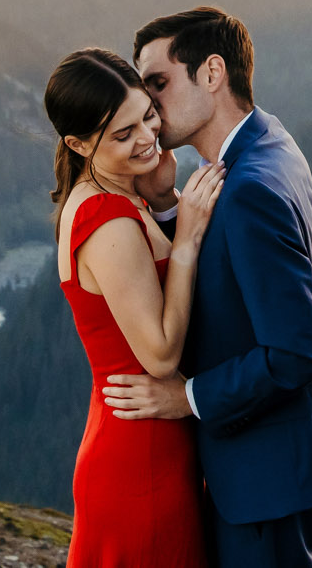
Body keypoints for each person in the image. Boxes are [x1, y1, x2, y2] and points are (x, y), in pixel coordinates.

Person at [105, 6, 312, 568]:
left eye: (158, 84)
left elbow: (298, 351)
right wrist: (167, 205)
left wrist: (185, 397)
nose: (148, 107)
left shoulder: (249, 188)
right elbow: (233, 277)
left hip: (265, 485)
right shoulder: (267, 145)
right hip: (287, 465)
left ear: (212, 74)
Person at [45, 46, 227, 568]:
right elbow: (161, 355)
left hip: (140, 440)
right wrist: (187, 238)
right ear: (78, 144)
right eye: (123, 135)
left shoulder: (109, 197)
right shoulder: (108, 221)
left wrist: (163, 200)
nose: (147, 138)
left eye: (147, 116)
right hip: (141, 458)